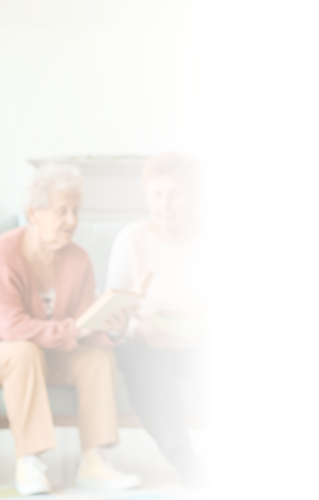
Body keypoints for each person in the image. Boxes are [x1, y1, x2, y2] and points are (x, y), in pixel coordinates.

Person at [0, 164, 141, 494]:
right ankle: (28, 460)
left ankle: (95, 460)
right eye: (62, 211)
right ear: (34, 213)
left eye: (76, 210)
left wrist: (111, 328)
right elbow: (11, 327)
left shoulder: (79, 259)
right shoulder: (1, 254)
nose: (72, 221)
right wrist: (76, 329)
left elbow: (81, 326)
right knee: (23, 351)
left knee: (96, 357)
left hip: (45, 349)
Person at [105, 153, 207, 485]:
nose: (165, 205)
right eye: (156, 195)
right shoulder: (131, 240)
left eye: (175, 194)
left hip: (201, 342)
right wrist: (139, 329)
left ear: (191, 194)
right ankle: (186, 464)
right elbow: (112, 313)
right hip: (148, 345)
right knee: (140, 360)